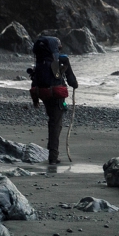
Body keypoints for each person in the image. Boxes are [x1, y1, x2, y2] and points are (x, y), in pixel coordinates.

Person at [28, 35, 79, 164]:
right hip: (57, 94)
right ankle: (53, 156)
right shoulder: (62, 60)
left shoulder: (39, 61)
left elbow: (35, 79)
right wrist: (74, 85)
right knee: (56, 124)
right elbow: (72, 80)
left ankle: (51, 152)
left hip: (43, 93)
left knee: (53, 120)